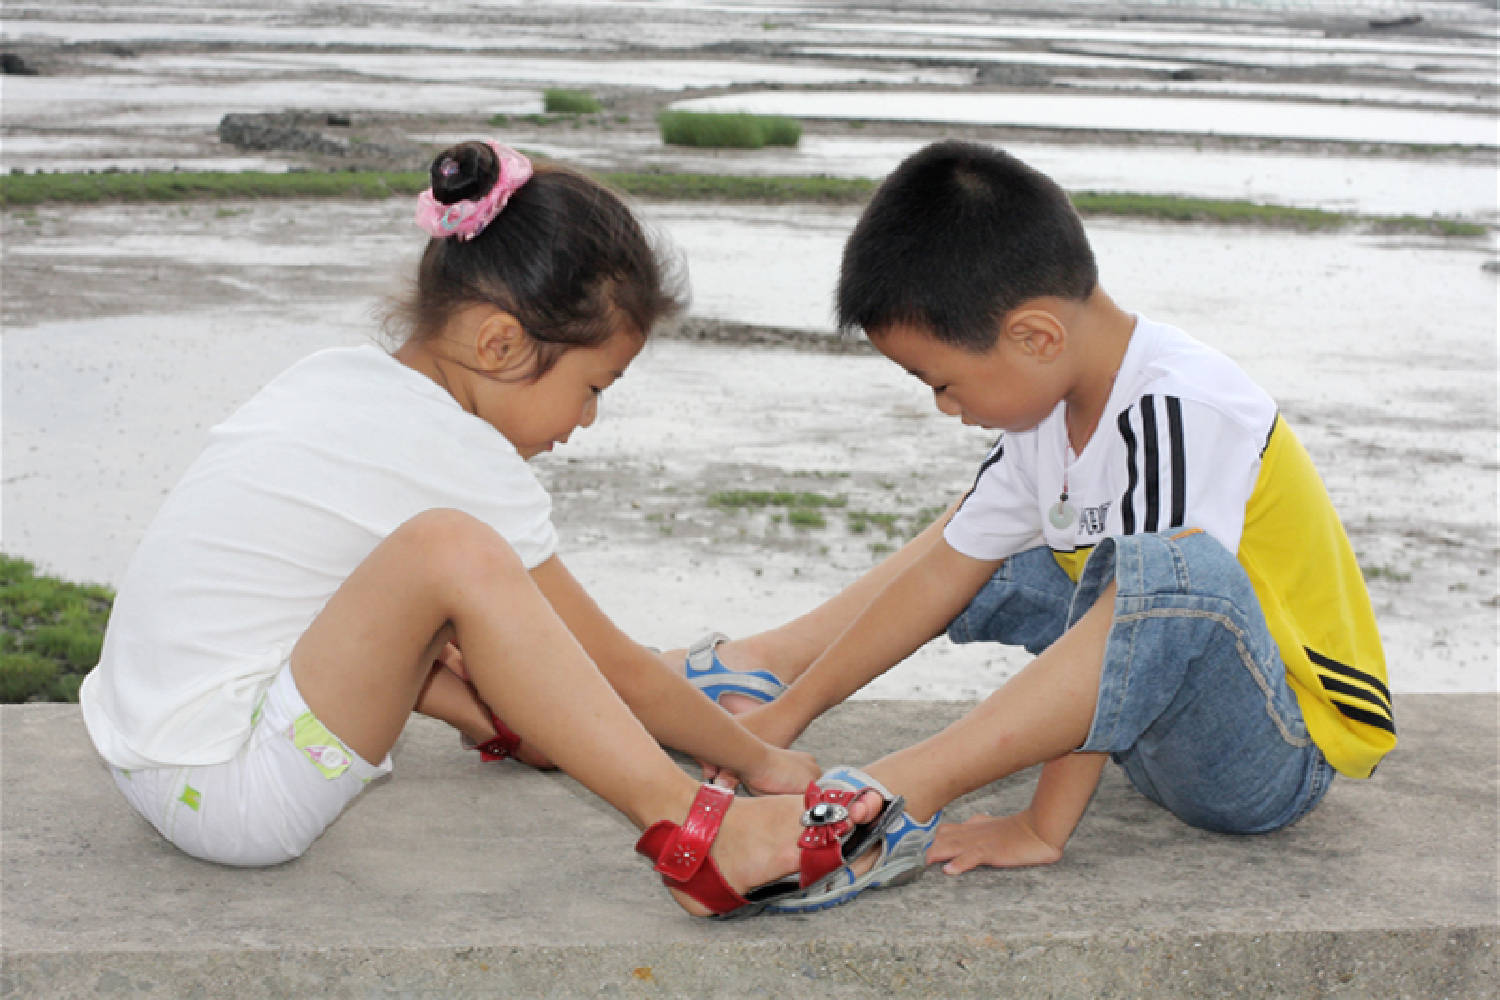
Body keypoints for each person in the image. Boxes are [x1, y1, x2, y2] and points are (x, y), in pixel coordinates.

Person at [77, 140, 899, 918]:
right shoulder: (458, 454)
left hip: (152, 758)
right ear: (500, 343)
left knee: (424, 564)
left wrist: (492, 712)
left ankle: (503, 720)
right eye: (594, 385)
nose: (587, 420)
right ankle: (696, 833)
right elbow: (613, 669)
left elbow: (313, 611)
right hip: (231, 796)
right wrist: (759, 759)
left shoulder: (333, 379)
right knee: (453, 549)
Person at [682, 140, 1396, 876]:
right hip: (1148, 740)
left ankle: (908, 783)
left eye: (944, 382)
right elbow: (941, 578)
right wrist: (778, 726)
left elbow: (1151, 618)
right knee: (975, 550)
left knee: (1174, 572)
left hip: (1265, 759)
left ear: (1035, 335)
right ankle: (763, 682)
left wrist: (1041, 824)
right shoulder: (1044, 418)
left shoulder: (1181, 406)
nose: (944, 407)